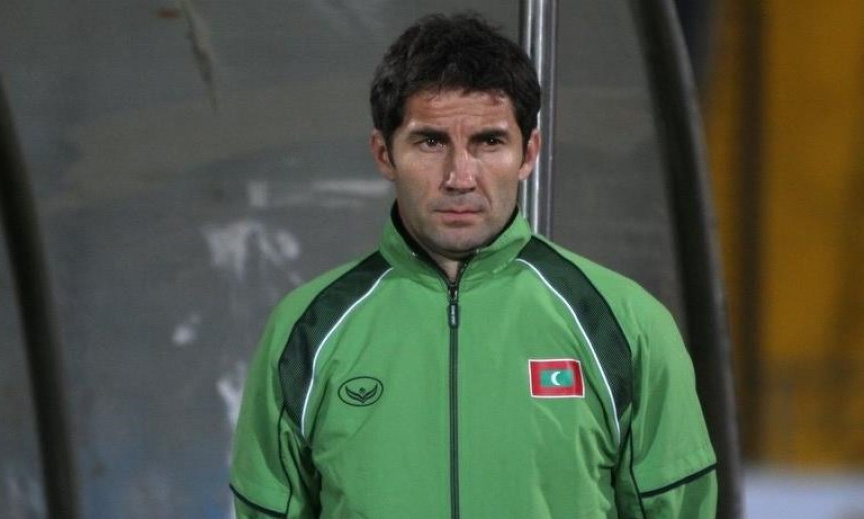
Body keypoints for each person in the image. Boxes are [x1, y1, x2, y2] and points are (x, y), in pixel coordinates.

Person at [230, 12, 717, 518]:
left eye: (489, 141)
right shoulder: (307, 331)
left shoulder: (625, 327)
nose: (460, 177)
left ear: (529, 153)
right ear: (384, 154)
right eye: (430, 141)